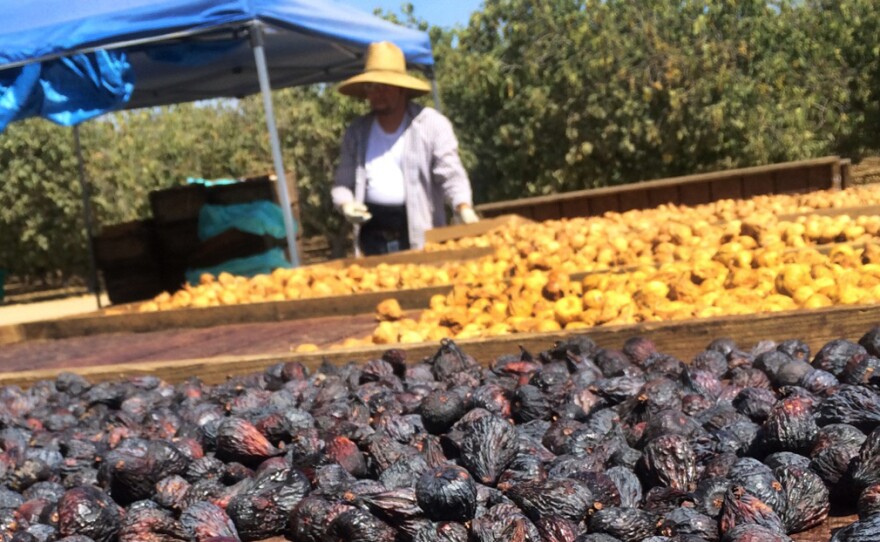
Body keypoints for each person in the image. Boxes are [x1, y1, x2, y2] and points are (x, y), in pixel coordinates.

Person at [332, 41, 478, 256]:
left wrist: (463, 207)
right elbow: (342, 184)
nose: (377, 94)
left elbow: (451, 175)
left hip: (418, 231)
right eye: (371, 87)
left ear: (402, 89)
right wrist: (345, 204)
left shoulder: (431, 125)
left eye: (385, 86)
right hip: (372, 236)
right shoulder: (357, 132)